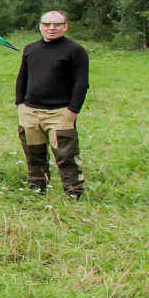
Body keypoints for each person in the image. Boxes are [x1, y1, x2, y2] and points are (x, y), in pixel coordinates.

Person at [15, 10, 90, 199]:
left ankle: (73, 193)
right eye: (47, 24)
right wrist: (20, 104)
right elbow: (22, 77)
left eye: (56, 24)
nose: (51, 28)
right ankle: (37, 189)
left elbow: (81, 82)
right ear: (40, 26)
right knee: (34, 154)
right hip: (30, 112)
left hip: (60, 112)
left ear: (65, 27)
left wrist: (73, 109)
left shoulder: (75, 51)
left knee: (66, 156)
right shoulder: (31, 49)